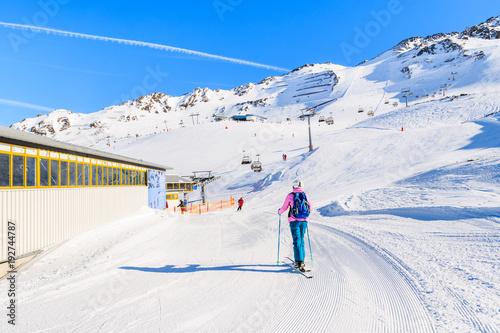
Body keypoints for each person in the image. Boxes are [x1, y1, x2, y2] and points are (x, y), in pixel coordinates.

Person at [278, 180, 311, 272]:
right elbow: (310, 207)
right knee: (301, 240)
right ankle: (302, 260)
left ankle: (298, 262)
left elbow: (284, 207)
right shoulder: (306, 195)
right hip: (304, 221)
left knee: (296, 240)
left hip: (294, 221)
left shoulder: (290, 195)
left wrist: (279, 212)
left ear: (293, 186)